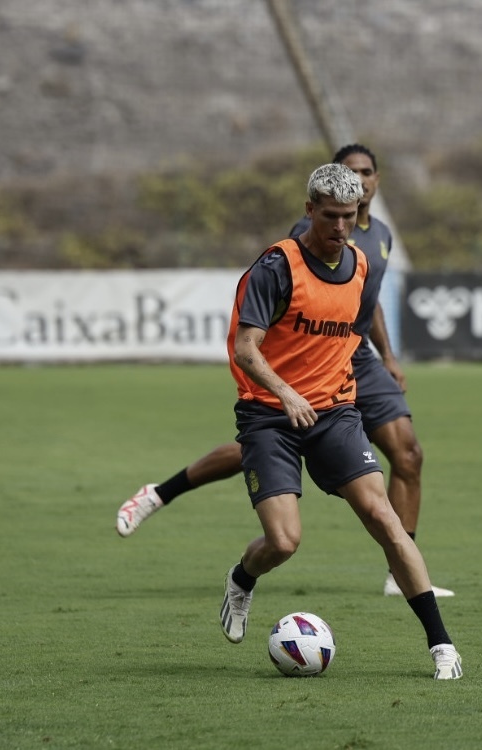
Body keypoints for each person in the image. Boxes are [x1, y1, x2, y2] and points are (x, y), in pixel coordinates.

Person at [117, 144, 453, 597]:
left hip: (357, 356)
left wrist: (387, 355)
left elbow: (364, 300)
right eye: (351, 171)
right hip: (307, 354)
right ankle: (162, 492)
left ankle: (402, 571)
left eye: (367, 172)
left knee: (408, 455)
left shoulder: (382, 236)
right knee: (262, 447)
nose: (361, 178)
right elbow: (294, 291)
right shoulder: (314, 231)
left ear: (376, 180)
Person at [213, 162, 460, 679]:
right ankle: (241, 579)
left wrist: (362, 377)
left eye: (350, 216)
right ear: (309, 211)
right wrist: (285, 393)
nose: (341, 227)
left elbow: (353, 329)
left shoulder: (361, 263)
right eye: (330, 217)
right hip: (269, 415)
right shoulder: (276, 267)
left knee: (385, 520)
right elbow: (244, 347)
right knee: (283, 543)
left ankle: (442, 646)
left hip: (334, 414)